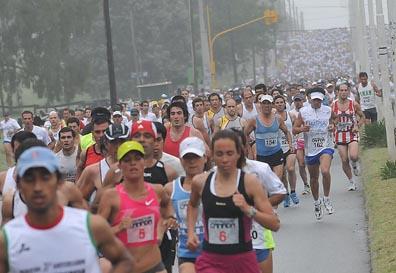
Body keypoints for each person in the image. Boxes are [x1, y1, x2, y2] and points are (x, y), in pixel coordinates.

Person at [0, 146, 134, 273]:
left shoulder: (90, 225)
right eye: (29, 179)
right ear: (18, 184)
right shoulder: (7, 239)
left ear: (59, 181)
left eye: (45, 177)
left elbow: (124, 260)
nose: (38, 187)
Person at [187, 130, 280, 273]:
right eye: (219, 154)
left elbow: (274, 224)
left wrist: (249, 209)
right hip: (211, 261)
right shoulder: (201, 182)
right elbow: (192, 205)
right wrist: (191, 232)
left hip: (242, 261)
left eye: (229, 153)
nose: (224, 159)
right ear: (211, 154)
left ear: (238, 153)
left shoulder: (250, 183)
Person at [98, 141, 176, 273]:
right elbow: (96, 235)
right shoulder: (110, 196)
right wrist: (119, 227)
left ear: (144, 163)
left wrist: (168, 220)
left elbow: (167, 206)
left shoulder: (157, 190)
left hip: (155, 266)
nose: (133, 163)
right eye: (127, 160)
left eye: (137, 158)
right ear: (120, 166)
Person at [1, 138, 88, 225]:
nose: (37, 187)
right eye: (29, 177)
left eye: (45, 177)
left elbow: (87, 223)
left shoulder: (68, 190)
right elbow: (7, 233)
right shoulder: (10, 201)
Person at [293, 87, 336, 220]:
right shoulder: (303, 112)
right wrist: (302, 129)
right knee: (314, 178)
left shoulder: (328, 110)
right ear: (310, 100)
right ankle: (317, 202)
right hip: (311, 149)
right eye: (314, 100)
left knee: (325, 171)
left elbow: (335, 120)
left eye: (319, 100)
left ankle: (327, 199)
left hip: (325, 146)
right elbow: (294, 129)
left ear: (322, 100)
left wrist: (332, 126)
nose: (317, 102)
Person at [164, 137, 206, 273]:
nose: (192, 161)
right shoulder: (171, 189)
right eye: (187, 157)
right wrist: (169, 220)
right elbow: (163, 216)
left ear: (205, 158)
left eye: (196, 157)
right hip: (187, 253)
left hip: (213, 252)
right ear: (181, 160)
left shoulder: (215, 184)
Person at [77, 124, 129, 211]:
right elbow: (77, 200)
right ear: (106, 143)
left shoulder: (140, 167)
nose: (118, 146)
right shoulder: (93, 171)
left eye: (122, 141)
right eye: (114, 142)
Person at [244, 95, 292, 179]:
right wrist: (249, 151)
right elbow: (245, 134)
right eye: (264, 103)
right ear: (260, 105)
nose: (266, 105)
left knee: (277, 180)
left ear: (272, 104)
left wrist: (290, 144)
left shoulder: (278, 118)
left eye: (269, 103)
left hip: (276, 153)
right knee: (265, 182)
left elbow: (286, 132)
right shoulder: (254, 120)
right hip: (262, 156)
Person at [332, 83, 365, 190]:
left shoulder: (353, 103)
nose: (343, 92)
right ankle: (351, 182)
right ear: (337, 92)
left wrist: (357, 125)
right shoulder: (333, 105)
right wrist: (332, 125)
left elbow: (362, 117)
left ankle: (355, 164)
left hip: (352, 133)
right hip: (340, 134)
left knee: (354, 156)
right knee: (344, 160)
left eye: (345, 90)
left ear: (348, 91)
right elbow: (330, 119)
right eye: (341, 90)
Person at [273, 95, 299, 207]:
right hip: (278, 148)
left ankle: (293, 191)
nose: (279, 104)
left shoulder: (291, 115)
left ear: (285, 103)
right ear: (274, 104)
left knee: (291, 168)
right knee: (282, 174)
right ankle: (286, 194)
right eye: (277, 102)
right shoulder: (272, 118)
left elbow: (295, 128)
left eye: (281, 102)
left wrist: (294, 140)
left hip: (290, 146)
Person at [0, 131, 37, 196]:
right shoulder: (3, 178)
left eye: (27, 149)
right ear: (13, 150)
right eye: (19, 149)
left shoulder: (48, 179)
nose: (23, 154)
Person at [289, 94, 310, 195]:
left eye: (299, 100)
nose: (298, 102)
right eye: (296, 101)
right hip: (298, 140)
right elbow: (291, 128)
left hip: (309, 140)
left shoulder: (307, 111)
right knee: (301, 164)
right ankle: (306, 184)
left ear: (303, 101)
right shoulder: (291, 113)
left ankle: (313, 180)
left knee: (311, 163)